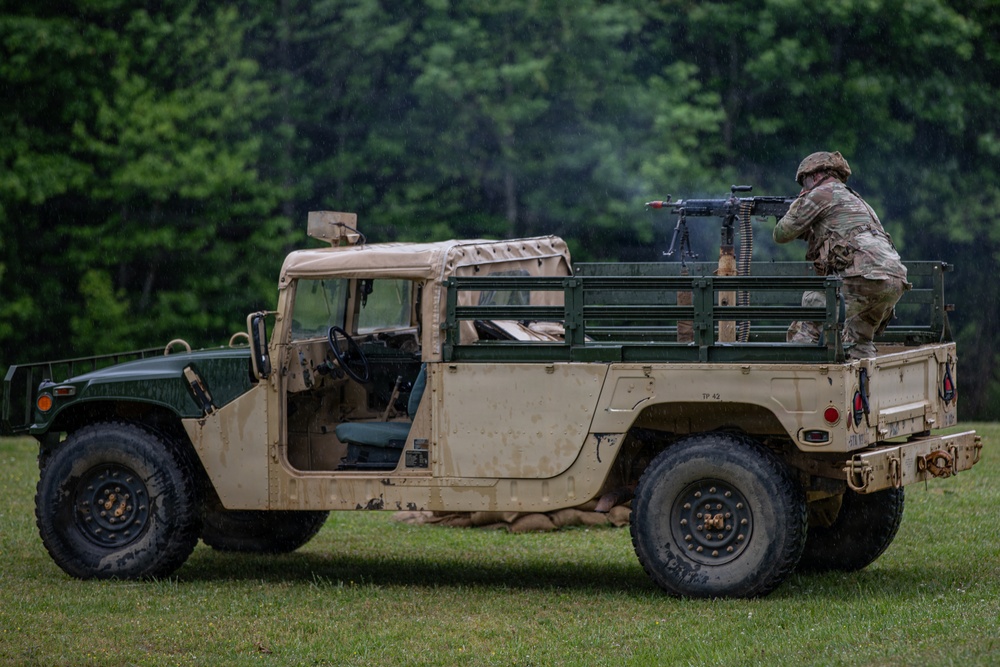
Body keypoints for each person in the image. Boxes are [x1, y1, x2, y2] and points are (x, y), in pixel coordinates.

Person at [774, 151, 909, 359]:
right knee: (859, 339)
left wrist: (798, 203)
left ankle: (800, 369)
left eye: (804, 182)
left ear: (815, 176)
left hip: (864, 276)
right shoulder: (854, 199)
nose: (803, 188)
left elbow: (781, 233)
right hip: (894, 281)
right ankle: (863, 376)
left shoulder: (821, 193)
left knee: (810, 309)